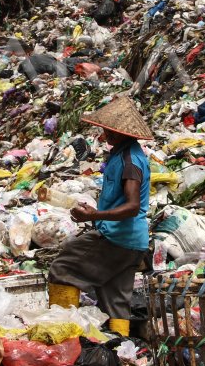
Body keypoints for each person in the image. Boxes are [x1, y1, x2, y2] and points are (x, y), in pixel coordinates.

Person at [46, 96, 152, 336]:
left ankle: (61, 334)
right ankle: (122, 355)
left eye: (111, 130)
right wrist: (93, 214)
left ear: (125, 132)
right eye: (105, 129)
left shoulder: (130, 160)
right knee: (115, 300)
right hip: (134, 243)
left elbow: (132, 205)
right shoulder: (122, 154)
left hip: (118, 238)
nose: (106, 134)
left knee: (62, 268)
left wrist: (96, 214)